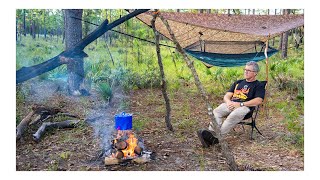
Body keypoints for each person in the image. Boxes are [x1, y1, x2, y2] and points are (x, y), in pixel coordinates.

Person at [197, 61, 266, 148]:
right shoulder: (238, 82)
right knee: (217, 111)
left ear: (255, 73)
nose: (246, 72)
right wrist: (229, 102)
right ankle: (211, 134)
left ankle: (217, 138)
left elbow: (259, 100)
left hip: (245, 107)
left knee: (233, 115)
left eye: (249, 70)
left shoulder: (258, 85)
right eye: (245, 69)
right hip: (231, 104)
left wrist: (241, 104)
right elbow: (227, 96)